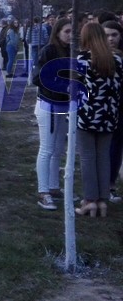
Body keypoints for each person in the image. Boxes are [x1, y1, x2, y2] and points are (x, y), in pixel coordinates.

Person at [74, 22, 123, 217]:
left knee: (87, 157)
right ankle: (102, 200)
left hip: (87, 116)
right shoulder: (117, 61)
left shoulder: (83, 60)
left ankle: (89, 200)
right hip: (109, 116)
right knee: (103, 157)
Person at [31, 18, 71, 210]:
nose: (71, 35)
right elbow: (38, 78)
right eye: (67, 31)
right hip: (48, 105)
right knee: (46, 149)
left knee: (58, 150)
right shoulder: (49, 51)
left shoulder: (72, 51)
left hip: (63, 105)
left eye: (73, 31)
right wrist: (62, 85)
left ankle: (54, 187)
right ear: (57, 33)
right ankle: (43, 191)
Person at [103, 20, 123, 203]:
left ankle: (110, 185)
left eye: (114, 35)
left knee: (116, 148)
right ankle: (101, 187)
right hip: (103, 111)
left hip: (120, 109)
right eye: (107, 35)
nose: (111, 39)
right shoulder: (96, 56)